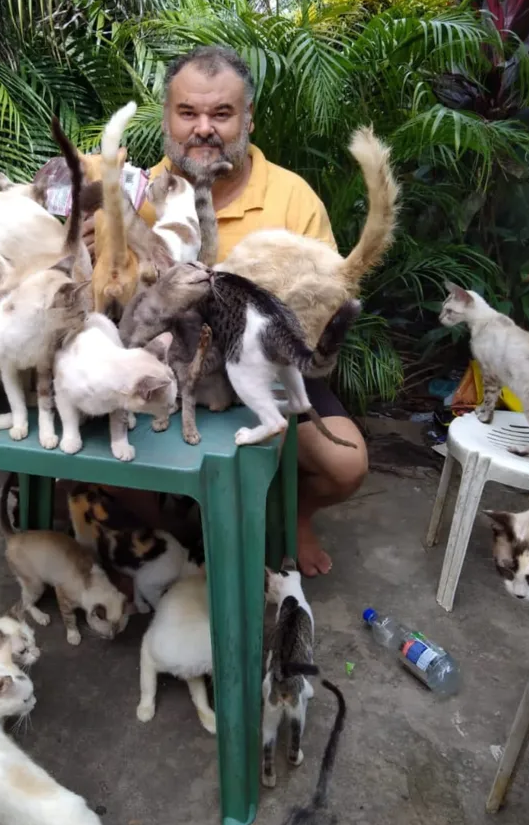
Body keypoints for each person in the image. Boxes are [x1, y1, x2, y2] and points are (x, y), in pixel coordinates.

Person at [81, 46, 368, 577]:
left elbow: (320, 311)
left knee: (345, 463)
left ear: (248, 118)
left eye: (222, 114)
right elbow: (104, 303)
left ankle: (293, 517)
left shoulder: (292, 197)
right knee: (99, 452)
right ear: (166, 118)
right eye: (188, 113)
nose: (203, 129)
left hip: (264, 357)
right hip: (168, 361)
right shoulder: (134, 194)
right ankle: (187, 532)